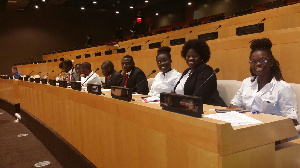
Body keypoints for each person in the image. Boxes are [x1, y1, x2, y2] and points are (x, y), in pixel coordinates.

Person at [229, 38, 298, 125]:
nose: (258, 64)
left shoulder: (282, 87)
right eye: (253, 62)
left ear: (271, 62)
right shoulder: (246, 82)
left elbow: (292, 121)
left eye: (263, 60)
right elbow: (234, 105)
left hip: (271, 132)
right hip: (246, 127)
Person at [173, 39, 226, 107]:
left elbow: (200, 95)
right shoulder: (187, 71)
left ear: (202, 57)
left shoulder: (206, 71)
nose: (191, 58)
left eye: (195, 56)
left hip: (210, 109)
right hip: (187, 108)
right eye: (188, 56)